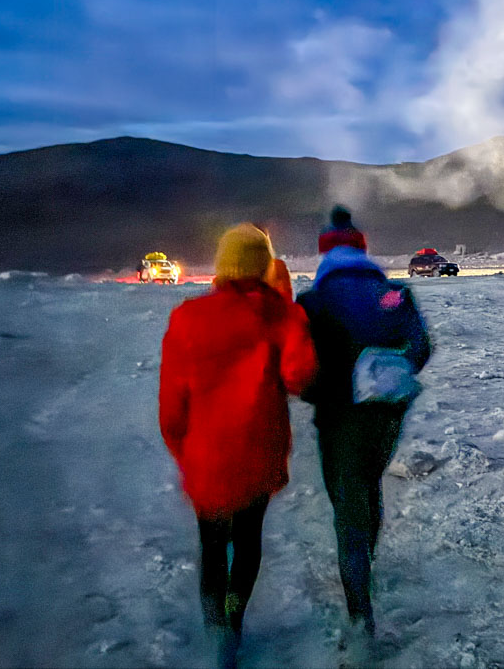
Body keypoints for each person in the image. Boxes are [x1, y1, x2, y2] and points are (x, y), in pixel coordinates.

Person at [159, 224, 317, 666]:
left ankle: (214, 631)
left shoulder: (188, 318)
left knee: (212, 543)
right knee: (247, 541)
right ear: (263, 264)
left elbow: (172, 408)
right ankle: (233, 618)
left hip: (206, 457)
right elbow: (301, 378)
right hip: (259, 452)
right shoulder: (282, 316)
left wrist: (185, 453)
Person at [297, 207, 431, 638]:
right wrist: (388, 369)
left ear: (325, 255)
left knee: (347, 507)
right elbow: (422, 347)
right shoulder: (393, 293)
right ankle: (365, 565)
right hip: (388, 413)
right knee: (369, 486)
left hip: (338, 418)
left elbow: (302, 366)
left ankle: (360, 619)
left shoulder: (314, 301)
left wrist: (320, 390)